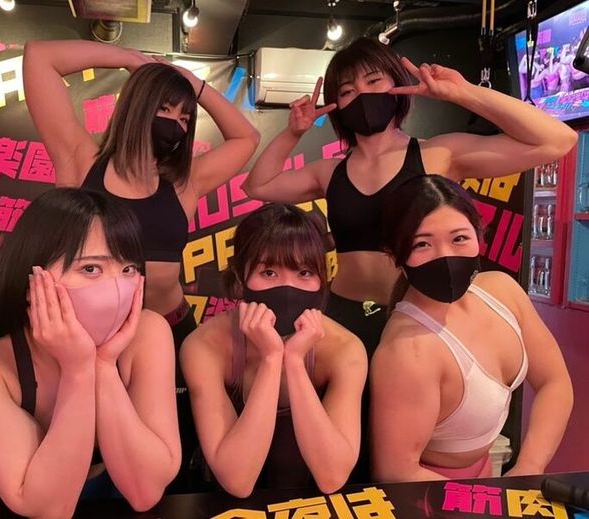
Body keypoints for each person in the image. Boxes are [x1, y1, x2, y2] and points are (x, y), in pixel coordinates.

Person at [243, 37, 576, 480]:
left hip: (422, 322)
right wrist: (293, 132)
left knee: (409, 456)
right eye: (347, 90)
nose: (362, 96)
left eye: (373, 81)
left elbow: (557, 139)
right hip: (344, 321)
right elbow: (258, 186)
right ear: (336, 105)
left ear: (398, 86)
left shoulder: (439, 153)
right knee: (341, 455)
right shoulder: (330, 171)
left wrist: (463, 93)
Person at [23, 39, 260, 490]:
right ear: (137, 105)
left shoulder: (185, 182)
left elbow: (246, 138)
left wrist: (194, 85)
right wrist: (133, 61)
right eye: (164, 110)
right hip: (89, 339)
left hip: (168, 331)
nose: (175, 124)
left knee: (167, 459)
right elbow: (40, 58)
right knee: (86, 453)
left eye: (184, 118)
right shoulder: (82, 161)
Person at [0, 189, 180, 516]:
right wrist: (77, 371)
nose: (118, 288)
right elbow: (50, 509)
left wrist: (103, 365)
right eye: (91, 269)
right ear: (32, 279)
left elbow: (145, 491)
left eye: (128, 269)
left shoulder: (148, 332)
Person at [370, 175, 573, 482]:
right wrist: (487, 500)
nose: (446, 255)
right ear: (395, 254)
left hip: (486, 475)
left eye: (459, 238)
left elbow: (554, 382)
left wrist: (530, 467)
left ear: (479, 235)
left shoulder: (503, 291)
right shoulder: (408, 350)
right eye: (422, 244)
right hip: (431, 493)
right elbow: (397, 471)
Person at [180, 204, 367, 497]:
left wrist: (294, 361)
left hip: (311, 504)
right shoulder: (205, 346)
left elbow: (332, 476)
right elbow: (237, 481)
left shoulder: (344, 349)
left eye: (304, 272)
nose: (288, 288)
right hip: (225, 505)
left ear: (322, 280)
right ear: (240, 277)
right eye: (269, 272)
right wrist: (271, 359)